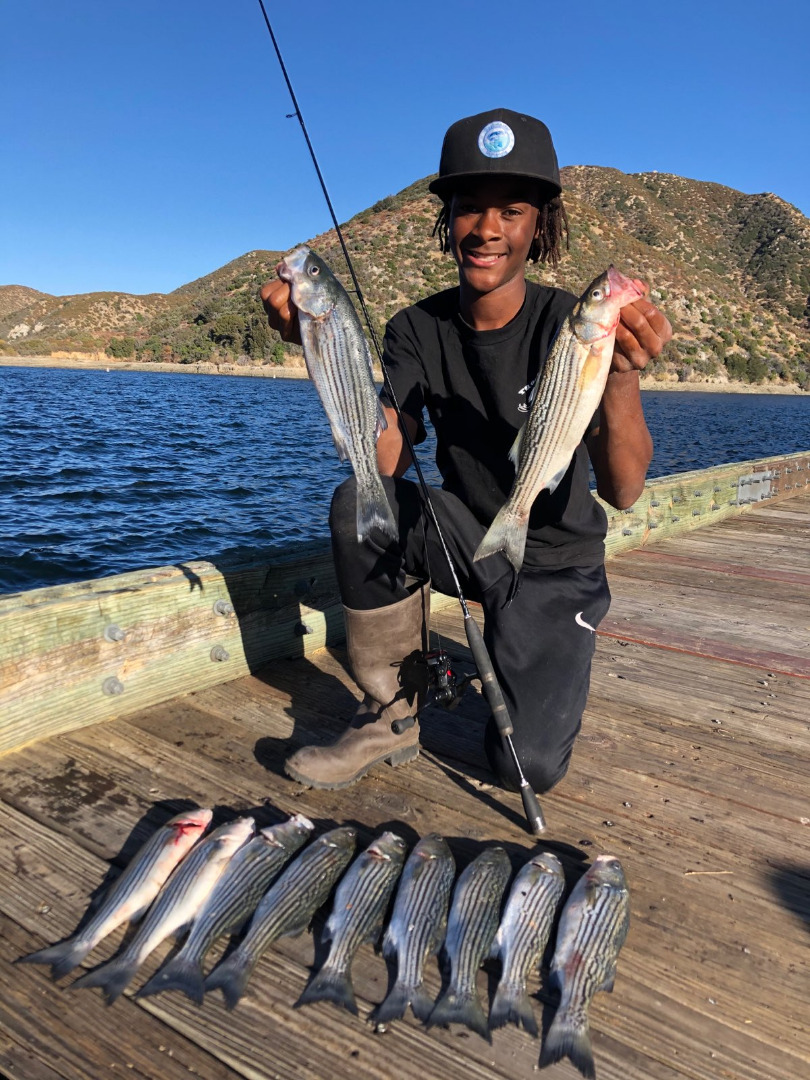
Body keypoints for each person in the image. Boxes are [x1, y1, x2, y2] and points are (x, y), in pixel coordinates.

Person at [261, 108, 672, 795]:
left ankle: (534, 651)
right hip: (466, 538)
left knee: (525, 767)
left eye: (511, 211)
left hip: (557, 565)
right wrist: (318, 348)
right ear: (445, 218)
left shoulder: (570, 324)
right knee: (358, 503)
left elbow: (624, 490)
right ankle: (387, 714)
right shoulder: (414, 329)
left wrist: (622, 373)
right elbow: (388, 460)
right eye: (468, 209)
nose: (487, 230)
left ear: (541, 224)